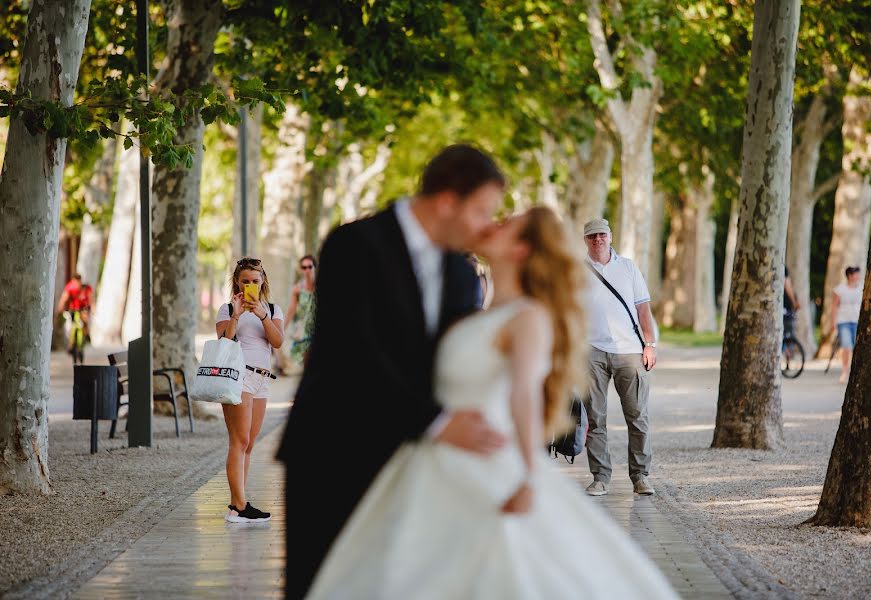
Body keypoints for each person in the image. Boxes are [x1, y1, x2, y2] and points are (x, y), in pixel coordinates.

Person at [306, 208, 679, 599]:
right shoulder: (474, 299)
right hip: (435, 465)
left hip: (491, 464)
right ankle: (602, 474)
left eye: (505, 226)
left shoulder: (528, 316)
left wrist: (529, 475)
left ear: (520, 250)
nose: (490, 224)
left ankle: (639, 473)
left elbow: (523, 397)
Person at [278, 144, 509, 597]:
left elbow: (458, 360)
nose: (487, 226)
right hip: (332, 453)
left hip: (415, 465)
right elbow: (353, 352)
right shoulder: (352, 244)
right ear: (447, 201)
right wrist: (439, 423)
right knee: (319, 585)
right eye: (481, 211)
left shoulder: (461, 274)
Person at [581, 218, 658, 497]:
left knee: (637, 416)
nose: (597, 240)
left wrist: (649, 344)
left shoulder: (628, 268)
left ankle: (640, 476)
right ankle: (600, 477)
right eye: (591, 236)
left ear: (610, 236)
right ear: (585, 240)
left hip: (629, 352)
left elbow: (643, 309)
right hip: (591, 352)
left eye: (601, 235)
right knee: (594, 418)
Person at [215, 257, 284, 523]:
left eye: (255, 281)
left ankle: (237, 505)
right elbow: (225, 341)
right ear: (237, 282)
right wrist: (236, 314)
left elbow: (277, 342)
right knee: (239, 441)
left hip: (262, 380)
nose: (250, 285)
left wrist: (262, 316)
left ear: (263, 280)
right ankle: (241, 506)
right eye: (245, 281)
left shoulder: (272, 309)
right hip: (237, 377)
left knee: (250, 444)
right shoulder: (226, 309)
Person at [283, 255, 317, 368]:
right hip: (302, 333)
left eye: (309, 267)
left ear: (314, 267)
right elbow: (291, 311)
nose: (307, 270)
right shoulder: (297, 289)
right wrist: (281, 330)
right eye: (304, 267)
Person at [831, 266, 863, 384]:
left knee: (855, 347)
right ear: (850, 275)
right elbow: (834, 306)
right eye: (856, 274)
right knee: (846, 346)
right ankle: (845, 371)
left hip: (857, 321)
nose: (858, 276)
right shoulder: (840, 289)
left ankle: (855, 371)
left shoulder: (861, 288)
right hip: (843, 321)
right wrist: (833, 322)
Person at [58, 273, 95, 343]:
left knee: (85, 320)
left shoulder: (86, 288)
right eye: (75, 282)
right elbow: (64, 298)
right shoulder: (69, 288)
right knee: (69, 327)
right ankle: (71, 344)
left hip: (84, 309)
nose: (76, 284)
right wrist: (61, 308)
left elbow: (91, 299)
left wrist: (93, 308)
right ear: (72, 281)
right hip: (73, 309)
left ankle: (86, 333)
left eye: (78, 282)